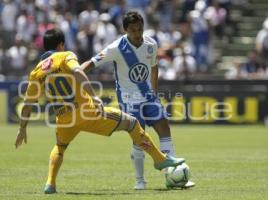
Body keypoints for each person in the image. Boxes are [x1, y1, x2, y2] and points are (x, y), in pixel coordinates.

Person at [14, 28, 185, 194]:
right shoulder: (65, 56)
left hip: (64, 119)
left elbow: (28, 103)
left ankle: (50, 184)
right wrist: (93, 96)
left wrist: (22, 128)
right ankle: (160, 160)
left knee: (60, 147)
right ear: (61, 45)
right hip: (88, 112)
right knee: (132, 123)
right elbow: (77, 71)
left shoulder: (36, 71)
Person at [80, 11, 195, 189]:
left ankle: (171, 174)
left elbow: (154, 67)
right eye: (133, 30)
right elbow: (91, 63)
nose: (137, 33)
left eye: (140, 29)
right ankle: (140, 181)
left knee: (164, 125)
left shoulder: (150, 44)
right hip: (128, 99)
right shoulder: (116, 48)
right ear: (125, 30)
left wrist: (154, 92)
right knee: (139, 138)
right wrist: (76, 72)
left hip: (148, 95)